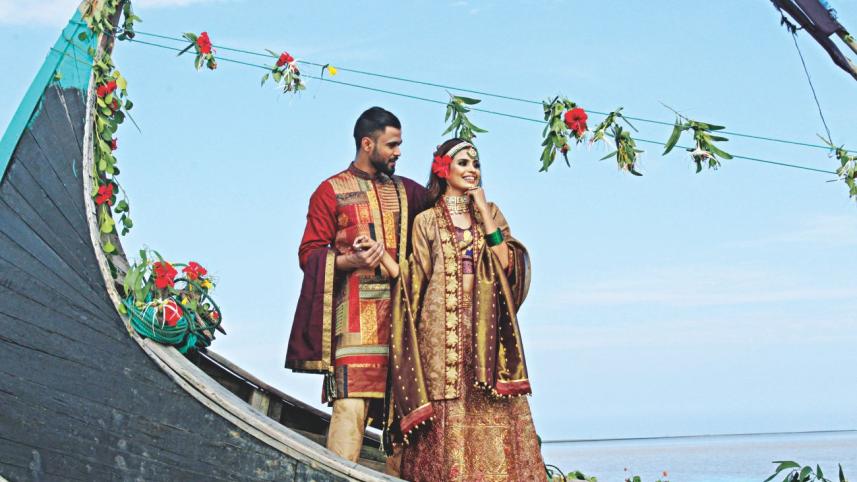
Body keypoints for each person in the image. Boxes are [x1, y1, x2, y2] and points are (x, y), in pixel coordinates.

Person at [386, 138, 545, 481]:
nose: (472, 169)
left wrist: (484, 211)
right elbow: (415, 282)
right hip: (439, 335)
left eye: (476, 164)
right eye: (463, 163)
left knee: (491, 409)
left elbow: (506, 264)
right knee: (446, 413)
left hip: (486, 332)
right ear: (443, 169)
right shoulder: (426, 221)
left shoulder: (492, 214)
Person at [285, 107, 428, 473]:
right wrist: (353, 260)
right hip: (353, 331)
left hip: (402, 325)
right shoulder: (330, 191)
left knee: (406, 422)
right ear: (368, 144)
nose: (398, 152)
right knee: (349, 412)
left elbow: (443, 223)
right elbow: (310, 254)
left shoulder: (410, 193)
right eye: (392, 144)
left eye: (400, 145)